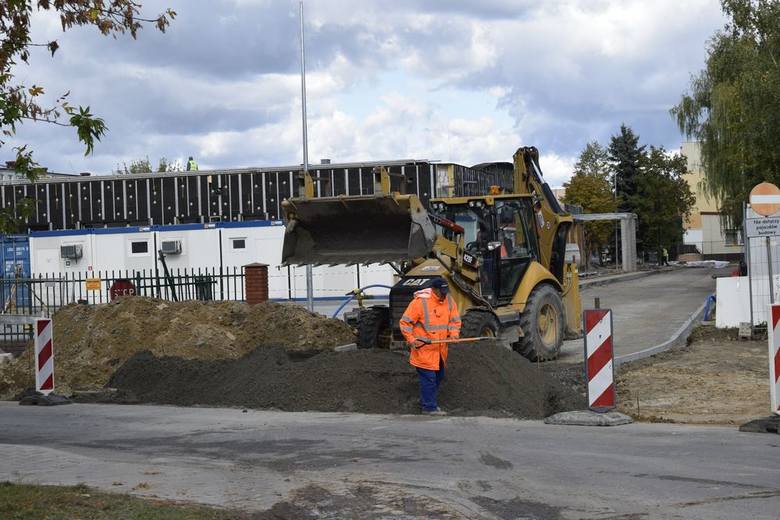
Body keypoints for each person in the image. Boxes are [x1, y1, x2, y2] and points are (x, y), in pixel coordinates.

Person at [399, 277, 461, 416]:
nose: (444, 294)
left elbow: (454, 321)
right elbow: (405, 323)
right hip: (424, 349)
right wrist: (411, 339)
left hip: (440, 350)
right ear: (434, 290)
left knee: (438, 377)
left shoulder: (449, 301)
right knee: (429, 379)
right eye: (441, 291)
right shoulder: (420, 302)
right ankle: (429, 408)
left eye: (446, 291)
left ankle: (425, 401)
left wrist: (454, 334)